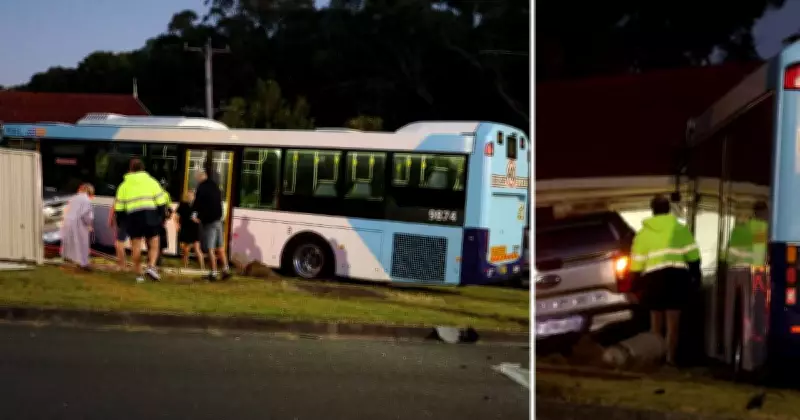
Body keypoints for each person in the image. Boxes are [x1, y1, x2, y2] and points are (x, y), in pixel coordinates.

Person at [630, 195, 702, 366]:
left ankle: (655, 358)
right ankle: (670, 360)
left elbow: (636, 263)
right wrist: (695, 278)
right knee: (673, 324)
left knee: (655, 324)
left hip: (653, 280)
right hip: (677, 278)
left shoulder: (643, 234)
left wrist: (634, 286)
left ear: (652, 210)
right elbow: (693, 257)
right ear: (668, 210)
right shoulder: (680, 229)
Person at [114, 158, 170, 283]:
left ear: (130, 170)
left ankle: (139, 275)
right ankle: (151, 267)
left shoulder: (123, 185)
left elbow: (119, 208)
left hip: (133, 218)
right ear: (143, 168)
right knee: (154, 243)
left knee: (136, 246)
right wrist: (161, 218)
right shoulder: (152, 182)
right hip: (151, 216)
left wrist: (121, 222)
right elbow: (161, 202)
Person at [192, 170, 232, 281]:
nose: (197, 180)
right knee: (220, 247)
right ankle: (225, 269)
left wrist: (196, 215)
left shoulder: (202, 188)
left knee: (210, 248)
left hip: (209, 222)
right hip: (218, 220)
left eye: (197, 178)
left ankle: (213, 272)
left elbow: (198, 203)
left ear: (200, 177)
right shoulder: (215, 186)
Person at [61, 183, 96, 271]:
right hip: (79, 224)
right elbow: (86, 215)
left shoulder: (73, 198)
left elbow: (66, 210)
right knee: (83, 244)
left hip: (68, 222)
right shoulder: (86, 200)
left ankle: (68, 258)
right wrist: (89, 224)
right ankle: (83, 264)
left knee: (70, 242)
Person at [725, 201, 769, 267]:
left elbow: (730, 256)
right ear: (765, 214)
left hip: (736, 269)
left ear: (754, 213)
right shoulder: (760, 231)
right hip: (754, 270)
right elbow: (761, 257)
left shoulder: (738, 229)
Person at [176, 190, 205, 270]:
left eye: (191, 195)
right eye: (188, 195)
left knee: (196, 248)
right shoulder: (182, 205)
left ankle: (202, 267)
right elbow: (177, 215)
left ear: (194, 197)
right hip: (185, 228)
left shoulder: (198, 205)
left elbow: (203, 217)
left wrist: (198, 220)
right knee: (185, 249)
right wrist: (177, 224)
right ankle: (185, 265)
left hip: (195, 229)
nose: (189, 197)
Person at [109, 197, 129, 272]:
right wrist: (111, 220)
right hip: (122, 222)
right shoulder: (121, 195)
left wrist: (110, 220)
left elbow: (113, 208)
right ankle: (120, 264)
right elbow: (113, 208)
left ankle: (122, 265)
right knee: (118, 243)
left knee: (118, 243)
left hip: (125, 222)